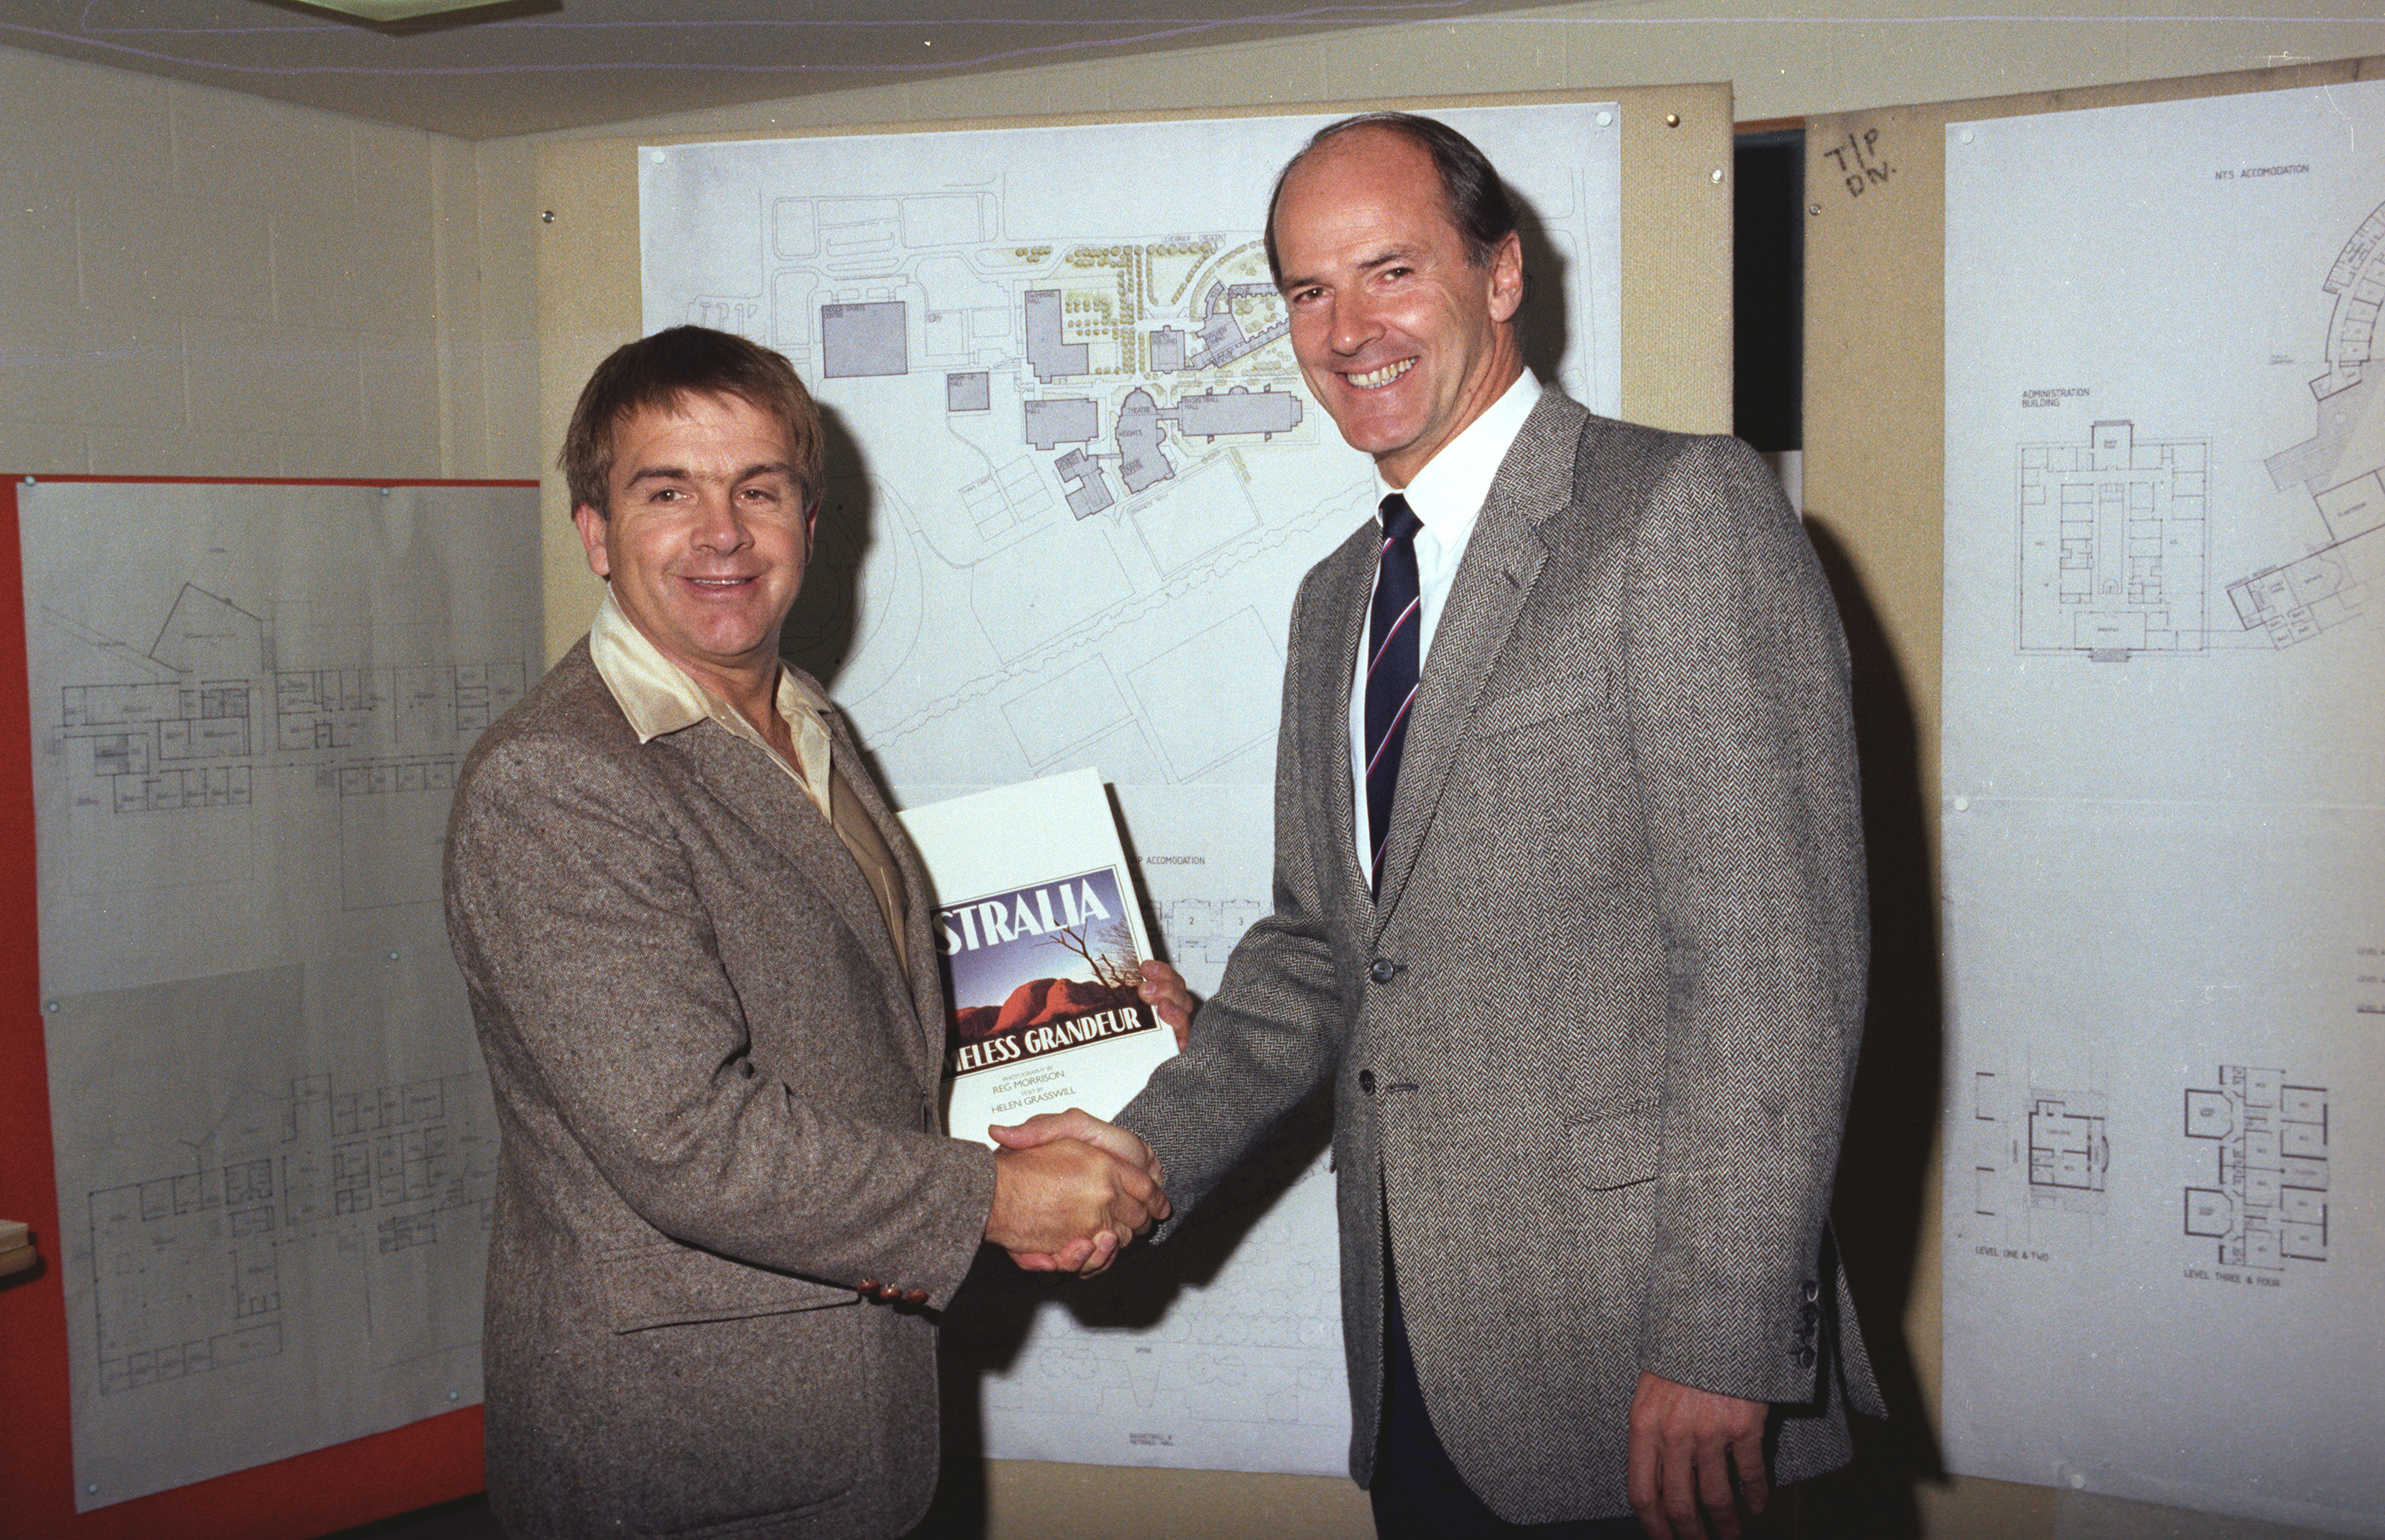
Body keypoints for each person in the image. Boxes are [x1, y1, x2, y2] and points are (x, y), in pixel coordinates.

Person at [1006, 114, 1884, 1538]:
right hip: (1416, 1355)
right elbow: (1316, 955)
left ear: (1500, 275)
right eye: (1306, 290)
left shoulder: (1679, 510)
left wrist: (1720, 1344)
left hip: (1654, 1371)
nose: (1347, 329)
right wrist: (1137, 1153)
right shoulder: (1332, 602)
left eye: (1390, 271)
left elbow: (1771, 962)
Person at [444, 325, 1167, 1539]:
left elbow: (861, 1037)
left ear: (807, 527)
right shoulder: (555, 779)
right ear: (594, 532)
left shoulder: (807, 728)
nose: (720, 533)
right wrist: (997, 1201)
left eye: (757, 490)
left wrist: (1101, 1032)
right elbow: (687, 1140)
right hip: (683, 1454)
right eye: (666, 490)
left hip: (856, 1408)